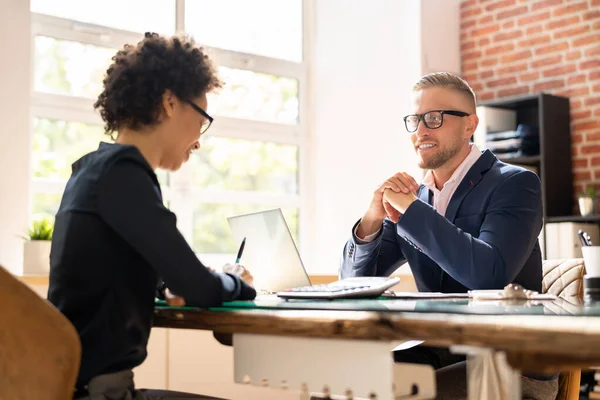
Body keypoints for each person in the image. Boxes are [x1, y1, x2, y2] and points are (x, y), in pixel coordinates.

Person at [48, 32, 256, 400]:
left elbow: (111, 269)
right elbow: (200, 288)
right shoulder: (123, 174)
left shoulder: (91, 171)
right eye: (203, 117)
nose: (199, 138)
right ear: (171, 103)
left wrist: (163, 284)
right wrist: (236, 281)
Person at [339, 72, 558, 399]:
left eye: (434, 118)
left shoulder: (515, 183)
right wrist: (372, 217)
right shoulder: (415, 199)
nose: (421, 131)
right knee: (340, 383)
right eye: (415, 120)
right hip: (441, 351)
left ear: (470, 125)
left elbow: (489, 275)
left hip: (510, 364)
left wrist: (412, 212)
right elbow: (354, 284)